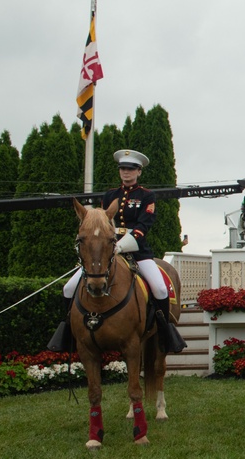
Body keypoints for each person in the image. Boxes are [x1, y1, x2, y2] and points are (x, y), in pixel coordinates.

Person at [48, 149, 186, 353]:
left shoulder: (147, 196)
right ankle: (68, 332)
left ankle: (166, 333)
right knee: (68, 288)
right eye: (123, 168)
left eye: (131, 169)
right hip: (106, 252)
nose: (126, 172)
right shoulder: (110, 195)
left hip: (137, 251)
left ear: (139, 171)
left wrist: (123, 244)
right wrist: (108, 245)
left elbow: (143, 226)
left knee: (161, 289)